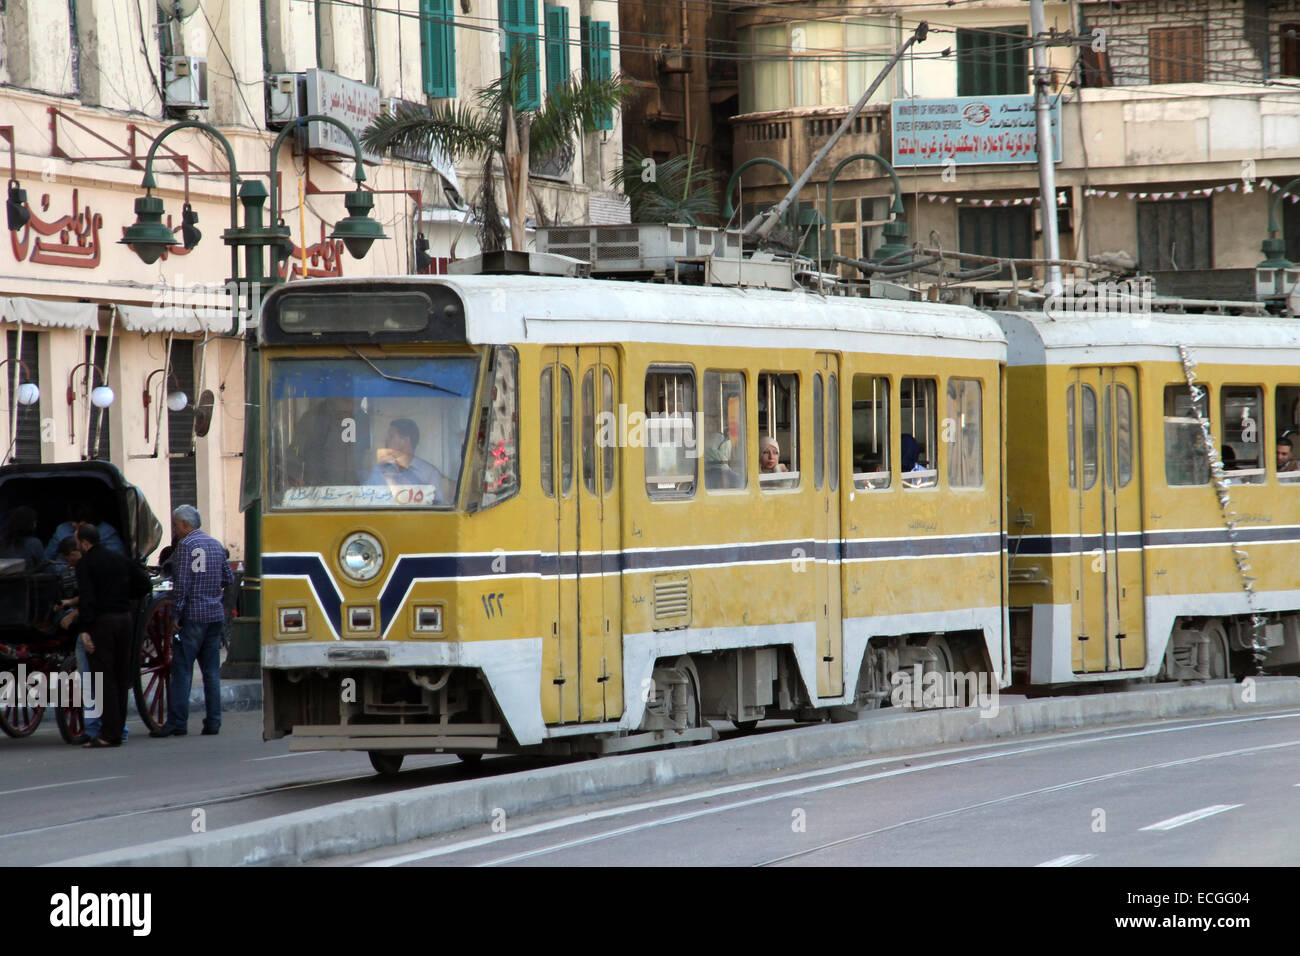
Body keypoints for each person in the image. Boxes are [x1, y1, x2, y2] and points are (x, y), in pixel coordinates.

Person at [152, 504, 233, 738]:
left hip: (193, 616)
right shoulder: (216, 545)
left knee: (183, 670)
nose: (175, 530)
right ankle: (213, 722)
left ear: (186, 524)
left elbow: (183, 585)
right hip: (214, 615)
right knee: (211, 672)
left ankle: (178, 722)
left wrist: (176, 616)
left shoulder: (186, 546)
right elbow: (228, 577)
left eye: (176, 525)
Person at [76, 524, 150, 748]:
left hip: (102, 622)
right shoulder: (118, 558)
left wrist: (84, 629)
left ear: (84, 543)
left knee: (103, 677)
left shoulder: (85, 564)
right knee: (119, 676)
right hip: (124, 618)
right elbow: (144, 583)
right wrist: (123, 595)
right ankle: (117, 730)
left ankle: (108, 733)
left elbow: (87, 599)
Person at [363, 418, 454, 503]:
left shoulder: (429, 473)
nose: (386, 440)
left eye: (391, 436)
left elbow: (438, 511)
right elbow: (364, 501)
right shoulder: (379, 471)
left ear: (405, 441)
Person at [43, 502, 125, 562]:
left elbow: (117, 559)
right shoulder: (62, 529)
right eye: (72, 520)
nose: (74, 524)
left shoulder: (107, 532)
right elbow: (48, 557)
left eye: (79, 521)